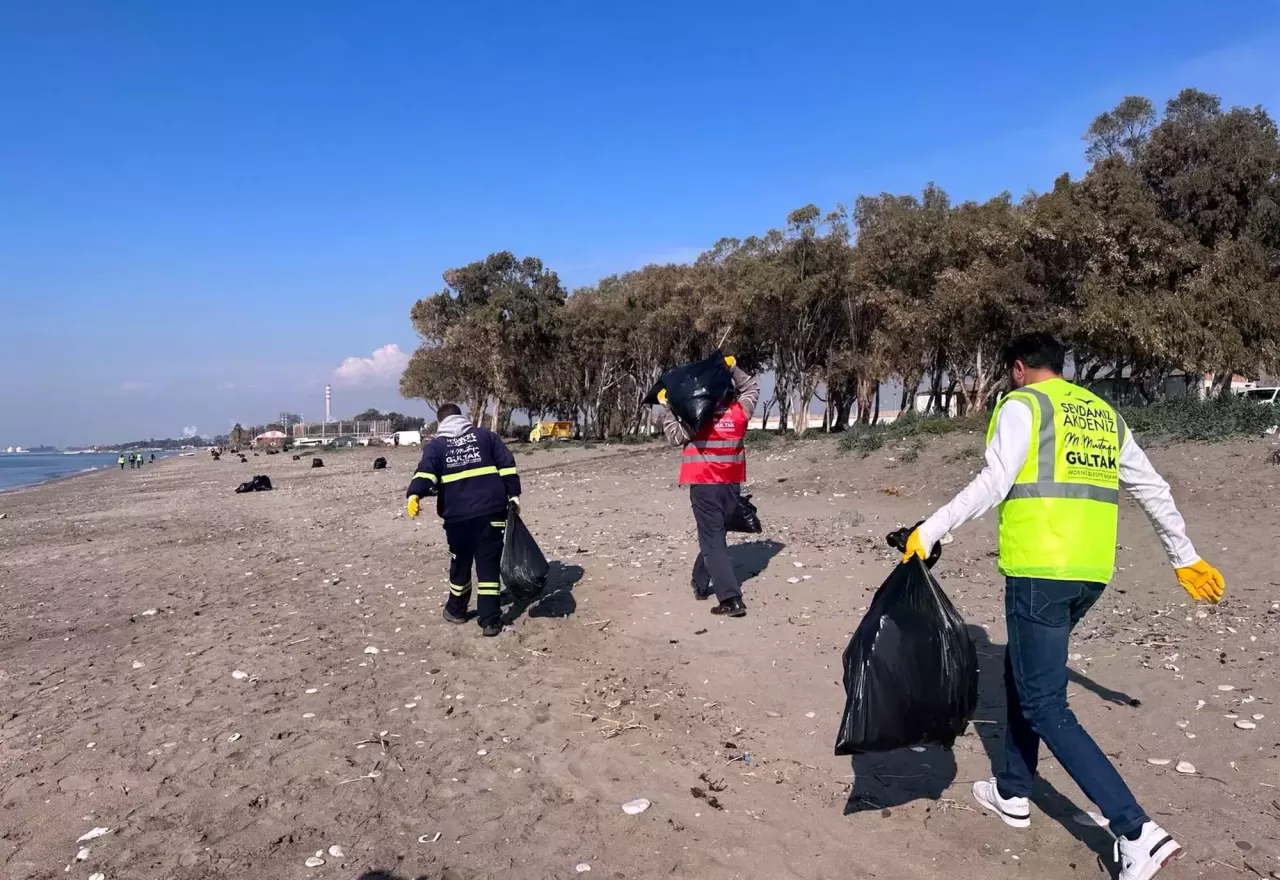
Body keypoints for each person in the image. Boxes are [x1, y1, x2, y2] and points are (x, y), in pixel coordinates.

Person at [901, 332, 1224, 880]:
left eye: (1011, 373)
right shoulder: (1100, 413)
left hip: (1040, 572)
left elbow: (995, 480)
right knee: (1020, 675)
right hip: (1090, 574)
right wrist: (1184, 557)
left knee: (1045, 701)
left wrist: (930, 530)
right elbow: (1152, 487)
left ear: (1020, 368)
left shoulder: (1022, 403)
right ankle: (1013, 792)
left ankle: (1136, 831)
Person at [404, 404, 521, 637]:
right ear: (462, 418)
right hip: (492, 512)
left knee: (460, 564)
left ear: (440, 423)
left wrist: (414, 494)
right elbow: (507, 466)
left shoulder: (436, 446)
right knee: (488, 566)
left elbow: (426, 472)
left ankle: (456, 610)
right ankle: (490, 621)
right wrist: (514, 496)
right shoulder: (487, 437)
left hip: (457, 519)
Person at [655, 355, 759, 618]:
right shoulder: (739, 412)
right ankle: (700, 583)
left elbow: (673, 437)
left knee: (712, 540)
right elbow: (751, 388)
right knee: (715, 536)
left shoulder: (695, 417)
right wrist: (734, 367)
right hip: (731, 486)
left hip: (704, 485)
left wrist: (667, 406)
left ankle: (731, 599)